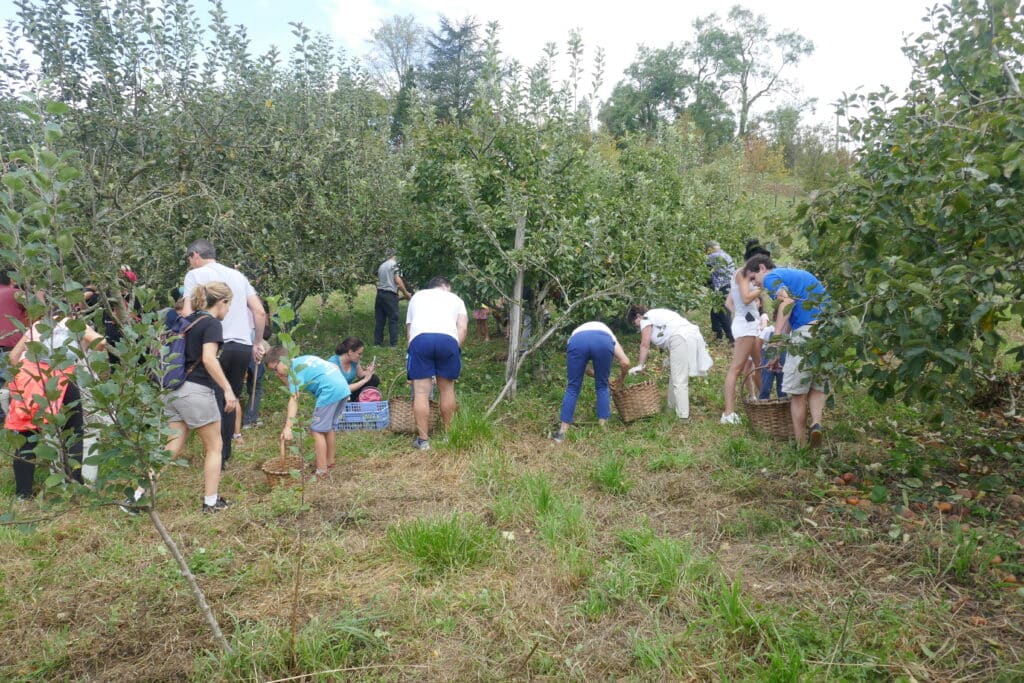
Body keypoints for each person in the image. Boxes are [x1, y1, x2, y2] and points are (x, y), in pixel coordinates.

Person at [5, 299, 105, 499]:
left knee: (26, 437)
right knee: (73, 432)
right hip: (63, 377)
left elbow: (13, 357)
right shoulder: (73, 323)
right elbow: (100, 342)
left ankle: (23, 494)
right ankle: (74, 484)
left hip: (31, 380)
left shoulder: (37, 326)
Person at [181, 239, 266, 469]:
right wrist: (257, 342)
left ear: (195, 255)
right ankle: (224, 455)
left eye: (189, 259)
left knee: (213, 399)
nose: (190, 264)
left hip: (212, 346)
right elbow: (259, 311)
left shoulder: (195, 275)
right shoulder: (238, 276)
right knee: (231, 400)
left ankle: (214, 453)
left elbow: (187, 314)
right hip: (240, 347)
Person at [154, 282, 239, 512]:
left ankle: (138, 495)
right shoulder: (211, 324)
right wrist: (228, 390)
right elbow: (209, 359)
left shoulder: (186, 321)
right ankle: (211, 502)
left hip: (171, 390)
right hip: (195, 390)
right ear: (221, 302)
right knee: (215, 446)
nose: (228, 310)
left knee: (173, 444)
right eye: (228, 304)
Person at [743, 254, 829, 447]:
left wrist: (774, 341)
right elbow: (790, 315)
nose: (756, 284)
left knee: (797, 394)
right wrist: (779, 347)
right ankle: (816, 424)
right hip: (826, 331)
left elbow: (787, 303)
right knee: (816, 384)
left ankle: (801, 446)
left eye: (753, 278)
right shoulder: (795, 275)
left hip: (805, 332)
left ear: (762, 268)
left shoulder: (773, 278)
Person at [266, 346, 350, 476]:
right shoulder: (302, 360)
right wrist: (282, 376)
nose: (275, 373)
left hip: (329, 391)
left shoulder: (295, 370)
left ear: (283, 361)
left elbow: (294, 398)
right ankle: (329, 461)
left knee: (316, 430)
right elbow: (334, 367)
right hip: (342, 387)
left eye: (275, 369)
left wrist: (288, 427)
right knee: (328, 427)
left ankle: (321, 471)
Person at [405, 276, 468, 450]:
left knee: (421, 392)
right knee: (447, 389)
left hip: (420, 340)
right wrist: (454, 348)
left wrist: (410, 352)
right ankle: (449, 435)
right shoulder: (456, 299)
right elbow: (462, 327)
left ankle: (423, 441)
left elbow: (409, 329)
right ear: (445, 286)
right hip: (448, 340)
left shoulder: (417, 297)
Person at [626, 306, 713, 420]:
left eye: (635, 323)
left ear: (638, 316)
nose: (637, 326)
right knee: (675, 375)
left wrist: (640, 365)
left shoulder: (646, 318)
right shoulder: (654, 315)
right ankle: (671, 408)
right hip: (686, 336)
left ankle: (683, 416)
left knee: (679, 379)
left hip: (681, 337)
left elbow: (644, 345)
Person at [551, 321, 631, 443]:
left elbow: (582, 368)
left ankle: (562, 433)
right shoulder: (609, 336)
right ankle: (603, 429)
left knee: (572, 387)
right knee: (602, 386)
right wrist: (620, 379)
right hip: (602, 342)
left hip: (577, 342)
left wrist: (599, 375)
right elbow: (625, 362)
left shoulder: (575, 335)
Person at [720, 268, 764, 424]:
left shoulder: (741, 280)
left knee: (759, 365)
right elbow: (744, 299)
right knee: (737, 368)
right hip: (746, 326)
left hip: (749, 324)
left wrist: (739, 313)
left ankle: (764, 400)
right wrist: (760, 289)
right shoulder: (742, 275)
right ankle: (728, 413)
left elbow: (728, 302)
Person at [0, 269, 28, 422]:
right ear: (12, 279)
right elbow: (40, 309)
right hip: (10, 347)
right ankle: (17, 421)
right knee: (15, 385)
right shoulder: (16, 294)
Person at [374, 249, 412, 347]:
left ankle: (377, 343)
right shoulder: (395, 265)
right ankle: (393, 344)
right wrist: (406, 293)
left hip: (379, 294)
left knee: (380, 320)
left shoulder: (382, 266)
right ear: (395, 255)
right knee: (393, 319)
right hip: (390, 295)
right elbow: (397, 280)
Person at [705, 241, 735, 343]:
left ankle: (732, 338)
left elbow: (703, 273)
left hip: (722, 287)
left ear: (709, 249)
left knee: (723, 312)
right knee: (715, 311)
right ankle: (718, 336)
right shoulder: (726, 255)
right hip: (730, 286)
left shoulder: (711, 257)